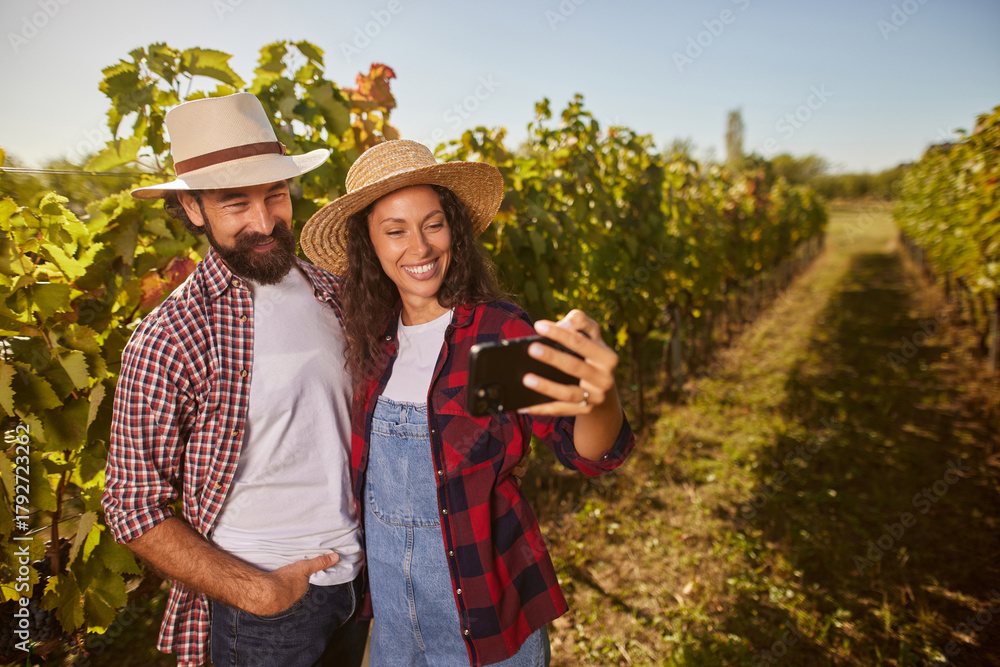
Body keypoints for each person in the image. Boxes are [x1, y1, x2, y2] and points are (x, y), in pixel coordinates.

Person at [299, 140, 636, 666]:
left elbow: (589, 454)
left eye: (433, 224)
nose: (420, 246)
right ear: (369, 243)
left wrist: (600, 393)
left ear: (453, 228)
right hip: (393, 624)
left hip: (486, 621)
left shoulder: (496, 332)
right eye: (395, 230)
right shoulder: (370, 344)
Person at [102, 92, 369, 667]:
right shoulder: (170, 338)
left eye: (275, 195)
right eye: (234, 203)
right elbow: (131, 504)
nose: (265, 220)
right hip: (264, 614)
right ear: (193, 209)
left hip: (356, 586)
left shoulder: (334, 290)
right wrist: (257, 591)